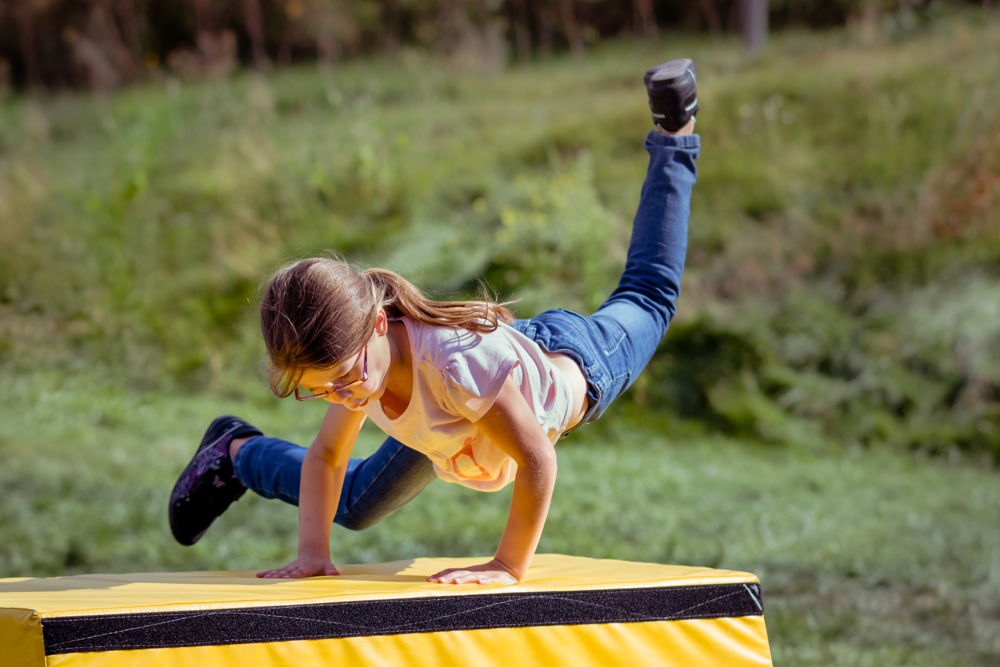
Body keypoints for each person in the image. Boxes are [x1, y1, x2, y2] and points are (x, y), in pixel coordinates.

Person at [169, 59, 701, 585]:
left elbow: (537, 459)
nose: (344, 396)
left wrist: (506, 567)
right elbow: (328, 456)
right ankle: (235, 454)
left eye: (346, 378)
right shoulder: (357, 372)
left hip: (576, 360)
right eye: (322, 390)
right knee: (351, 504)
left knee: (648, 292)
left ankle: (674, 132)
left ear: (378, 325)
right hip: (455, 411)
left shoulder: (453, 365)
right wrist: (313, 553)